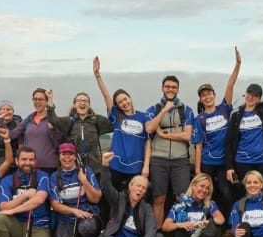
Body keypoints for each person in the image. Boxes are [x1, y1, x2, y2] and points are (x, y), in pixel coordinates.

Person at [224, 61, 263, 196]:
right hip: (242, 163)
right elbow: (229, 143)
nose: (251, 97)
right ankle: (242, 217)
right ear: (245, 94)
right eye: (249, 93)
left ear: (259, 99)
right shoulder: (236, 116)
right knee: (241, 195)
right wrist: (229, 167)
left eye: (255, 95)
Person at [193, 47, 242, 219]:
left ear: (214, 95)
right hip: (207, 161)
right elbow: (198, 146)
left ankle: (230, 226)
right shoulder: (199, 119)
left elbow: (230, 84)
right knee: (204, 192)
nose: (207, 97)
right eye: (203, 95)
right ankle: (204, 222)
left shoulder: (224, 109)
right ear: (201, 99)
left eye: (209, 94)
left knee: (226, 191)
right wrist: (198, 170)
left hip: (224, 161)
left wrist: (237, 64)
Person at [0, 147, 53, 237]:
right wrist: (24, 195)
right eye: (24, 159)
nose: (27, 162)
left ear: (35, 161)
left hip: (38, 226)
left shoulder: (43, 176)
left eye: (31, 159)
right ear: (16, 160)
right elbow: (4, 206)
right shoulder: (7, 180)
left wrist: (13, 210)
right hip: (17, 224)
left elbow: (39, 200)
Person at [145, 75, 196, 226]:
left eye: (174, 87)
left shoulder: (186, 110)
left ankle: (181, 230)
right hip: (158, 158)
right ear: (162, 88)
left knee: (182, 198)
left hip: (180, 159)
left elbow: (187, 135)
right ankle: (157, 234)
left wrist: (163, 133)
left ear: (178, 89)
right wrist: (164, 110)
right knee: (159, 198)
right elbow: (149, 128)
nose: (170, 89)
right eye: (167, 86)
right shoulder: (153, 109)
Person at [94, 56, 151, 190]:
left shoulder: (144, 116)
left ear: (130, 98)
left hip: (136, 166)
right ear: (117, 106)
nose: (124, 103)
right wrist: (97, 75)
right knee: (115, 199)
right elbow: (106, 96)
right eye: (120, 102)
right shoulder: (117, 117)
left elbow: (148, 142)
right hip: (116, 165)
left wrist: (146, 166)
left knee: (135, 199)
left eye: (125, 99)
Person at [50, 142, 103, 237]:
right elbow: (55, 205)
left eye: (70, 154)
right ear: (59, 156)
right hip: (66, 219)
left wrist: (84, 181)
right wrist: (74, 211)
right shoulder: (54, 176)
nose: (67, 158)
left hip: (86, 214)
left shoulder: (86, 171)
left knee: (87, 227)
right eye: (64, 154)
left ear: (75, 156)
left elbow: (96, 198)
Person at [48, 91, 112, 180]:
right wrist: (50, 99)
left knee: (96, 193)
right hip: (75, 169)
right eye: (79, 100)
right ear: (74, 105)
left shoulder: (97, 120)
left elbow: (114, 123)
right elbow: (53, 119)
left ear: (89, 105)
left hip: (95, 170)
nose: (82, 103)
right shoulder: (68, 121)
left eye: (85, 101)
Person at [9, 88, 62, 174]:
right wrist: (1, 120)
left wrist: (52, 129)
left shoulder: (53, 120)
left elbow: (57, 143)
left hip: (49, 167)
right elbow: (12, 135)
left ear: (46, 101)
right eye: (35, 99)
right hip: (29, 166)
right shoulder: (28, 120)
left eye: (41, 99)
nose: (37, 102)